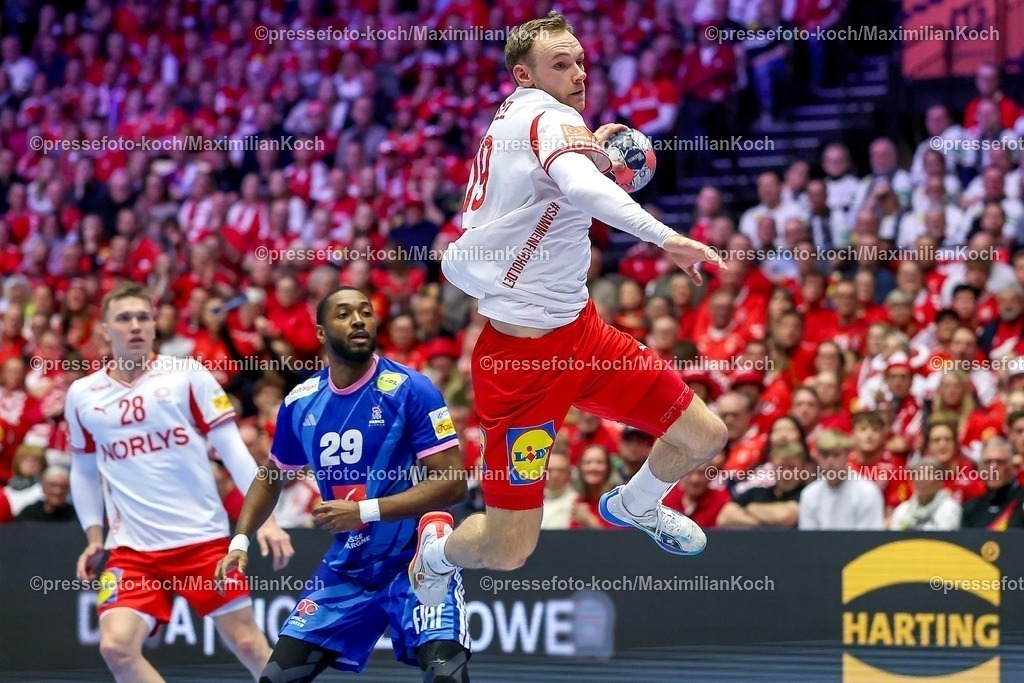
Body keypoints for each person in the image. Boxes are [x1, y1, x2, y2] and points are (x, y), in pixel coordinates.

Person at [411, 12, 728, 606]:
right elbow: (580, 189)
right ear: (524, 74)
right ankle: (434, 553)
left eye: (581, 60)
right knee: (509, 552)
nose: (579, 73)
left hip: (584, 336)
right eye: (562, 63)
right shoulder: (546, 115)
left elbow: (569, 179)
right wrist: (666, 237)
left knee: (705, 435)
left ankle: (633, 504)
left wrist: (592, 156)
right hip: (519, 367)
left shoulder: (528, 120)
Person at [216, 287, 471, 683]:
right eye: (344, 313)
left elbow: (453, 482)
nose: (358, 319)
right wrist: (240, 540)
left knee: (445, 675)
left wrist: (364, 511)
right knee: (275, 679)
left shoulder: (411, 389)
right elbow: (270, 477)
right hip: (348, 569)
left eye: (366, 312)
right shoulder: (300, 402)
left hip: (417, 561)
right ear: (320, 333)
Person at [67, 283, 294, 683]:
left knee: (248, 644)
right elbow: (83, 469)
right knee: (116, 648)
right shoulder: (82, 394)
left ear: (155, 326)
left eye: (143, 317)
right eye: (124, 318)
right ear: (105, 329)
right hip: (131, 551)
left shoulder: (187, 374)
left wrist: (267, 519)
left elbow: (233, 449)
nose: (135, 325)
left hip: (203, 544)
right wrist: (93, 535)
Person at [798, 430, 885, 530]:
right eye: (825, 455)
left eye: (836, 455)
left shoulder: (867, 491)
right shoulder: (809, 494)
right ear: (817, 457)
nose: (830, 461)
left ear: (847, 456)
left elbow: (870, 537)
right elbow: (808, 539)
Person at [715, 443, 807, 528]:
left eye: (792, 467)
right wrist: (767, 523)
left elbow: (786, 516)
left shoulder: (807, 494)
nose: (786, 473)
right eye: (780, 467)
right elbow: (724, 518)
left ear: (803, 468)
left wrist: (750, 508)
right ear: (772, 467)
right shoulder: (755, 492)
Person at [962, 437, 1024, 530]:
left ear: (1013, 467)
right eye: (987, 462)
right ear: (980, 469)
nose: (993, 468)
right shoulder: (970, 509)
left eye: (1000, 462)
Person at [888, 457, 962, 531]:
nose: (923, 478)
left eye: (928, 473)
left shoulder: (949, 508)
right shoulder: (902, 510)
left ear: (940, 480)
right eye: (919, 474)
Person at [540, 450, 578, 529]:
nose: (555, 475)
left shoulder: (576, 502)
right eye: (550, 470)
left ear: (569, 473)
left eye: (561, 470)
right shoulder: (532, 501)